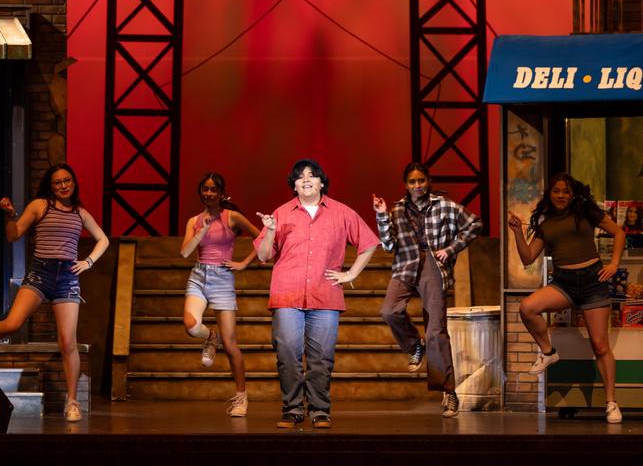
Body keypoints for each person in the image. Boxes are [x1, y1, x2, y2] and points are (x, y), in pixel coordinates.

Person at [0, 162, 108, 423]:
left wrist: (88, 262)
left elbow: (103, 239)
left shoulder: (80, 213)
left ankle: (72, 402)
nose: (63, 186)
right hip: (41, 274)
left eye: (67, 181)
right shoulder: (40, 206)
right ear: (51, 186)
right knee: (13, 323)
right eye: (57, 182)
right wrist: (10, 215)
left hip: (67, 278)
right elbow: (13, 235)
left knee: (68, 342)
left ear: (74, 183)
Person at [256, 158, 379, 429]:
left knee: (321, 357)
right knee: (287, 354)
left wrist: (351, 274)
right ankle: (292, 409)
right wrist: (271, 232)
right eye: (300, 176)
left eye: (312, 175)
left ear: (322, 182)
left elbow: (369, 243)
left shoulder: (342, 212)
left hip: (325, 295)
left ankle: (320, 410)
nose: (306, 179)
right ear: (294, 185)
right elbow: (263, 256)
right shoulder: (280, 213)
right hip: (287, 294)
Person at [508, 171, 625, 425]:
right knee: (527, 308)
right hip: (564, 283)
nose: (561, 195)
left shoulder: (586, 212)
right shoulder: (546, 224)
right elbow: (528, 258)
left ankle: (611, 403)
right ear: (549, 194)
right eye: (556, 191)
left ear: (572, 194)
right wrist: (517, 232)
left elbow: (619, 233)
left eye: (566, 191)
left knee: (600, 345)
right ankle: (548, 352)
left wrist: (614, 264)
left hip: (593, 281)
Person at [373, 161, 482, 418]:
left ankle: (449, 391)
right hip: (406, 265)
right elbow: (388, 246)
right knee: (389, 311)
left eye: (421, 180)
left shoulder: (443, 205)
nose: (417, 185)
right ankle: (414, 346)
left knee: (435, 332)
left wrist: (451, 249)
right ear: (405, 185)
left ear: (428, 181)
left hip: (433, 265)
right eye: (412, 182)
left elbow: (474, 223)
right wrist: (381, 215)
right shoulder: (397, 210)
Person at [180, 172, 260, 417]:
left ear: (222, 193)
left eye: (214, 189)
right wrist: (202, 230)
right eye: (205, 189)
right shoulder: (194, 220)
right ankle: (209, 336)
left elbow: (262, 237)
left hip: (222, 279)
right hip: (199, 276)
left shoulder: (231, 216)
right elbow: (184, 253)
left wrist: (244, 263)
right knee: (191, 326)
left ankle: (241, 397)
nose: (209, 193)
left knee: (230, 344)